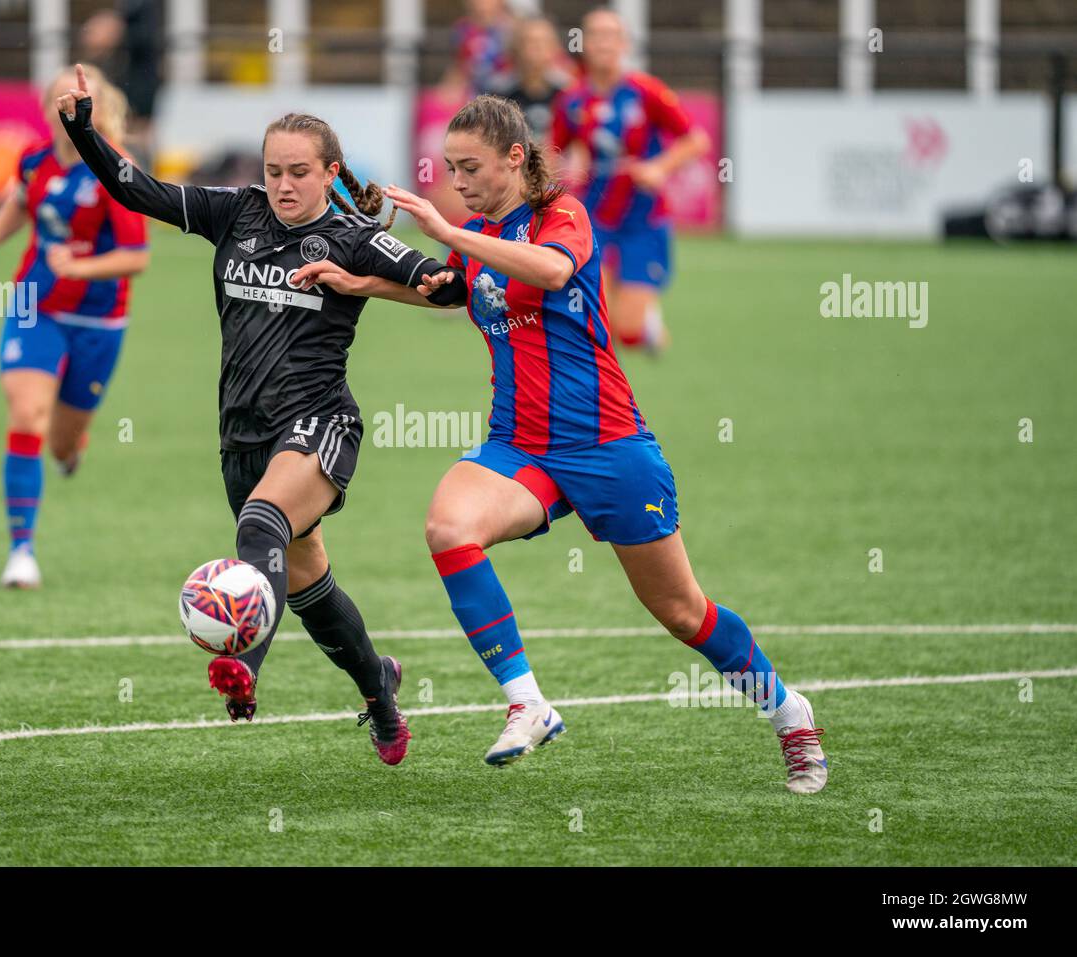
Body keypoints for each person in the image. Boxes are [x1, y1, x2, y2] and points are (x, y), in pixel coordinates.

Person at [298, 94, 828, 793]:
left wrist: (447, 229)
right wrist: (357, 281)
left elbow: (548, 270)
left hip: (609, 445)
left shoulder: (563, 216)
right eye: (451, 168)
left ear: (515, 157)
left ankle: (790, 713)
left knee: (682, 611)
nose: (458, 181)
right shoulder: (485, 233)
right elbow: (451, 294)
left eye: (471, 167)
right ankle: (528, 701)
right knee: (448, 526)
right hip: (519, 445)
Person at [54, 66, 455, 764]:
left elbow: (443, 288)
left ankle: (246, 670)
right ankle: (380, 688)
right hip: (240, 436)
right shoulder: (235, 211)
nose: (284, 185)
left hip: (320, 422)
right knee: (310, 589)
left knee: (262, 522)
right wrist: (82, 129)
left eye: (299, 171)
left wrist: (377, 279)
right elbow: (132, 187)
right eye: (274, 171)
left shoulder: (354, 237)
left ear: (331, 172)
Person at [0, 64, 149, 590]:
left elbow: (136, 257)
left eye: (67, 101)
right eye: (52, 100)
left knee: (62, 443)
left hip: (99, 319)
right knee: (27, 414)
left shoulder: (116, 170)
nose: (56, 109)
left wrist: (82, 268)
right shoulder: (34, 159)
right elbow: (21, 202)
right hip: (34, 303)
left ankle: (72, 449)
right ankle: (21, 551)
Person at [550, 7, 710, 353]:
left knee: (630, 333)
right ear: (584, 44)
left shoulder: (645, 91)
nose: (604, 43)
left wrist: (659, 168)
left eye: (612, 35)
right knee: (596, 320)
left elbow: (696, 140)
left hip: (643, 218)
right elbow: (554, 152)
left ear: (623, 44)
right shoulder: (572, 99)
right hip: (595, 217)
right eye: (596, 35)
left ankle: (645, 320)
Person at [489, 15, 571, 144]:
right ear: (518, 47)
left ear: (555, 48)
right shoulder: (499, 93)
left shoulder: (567, 91)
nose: (538, 48)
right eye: (531, 42)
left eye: (544, 42)